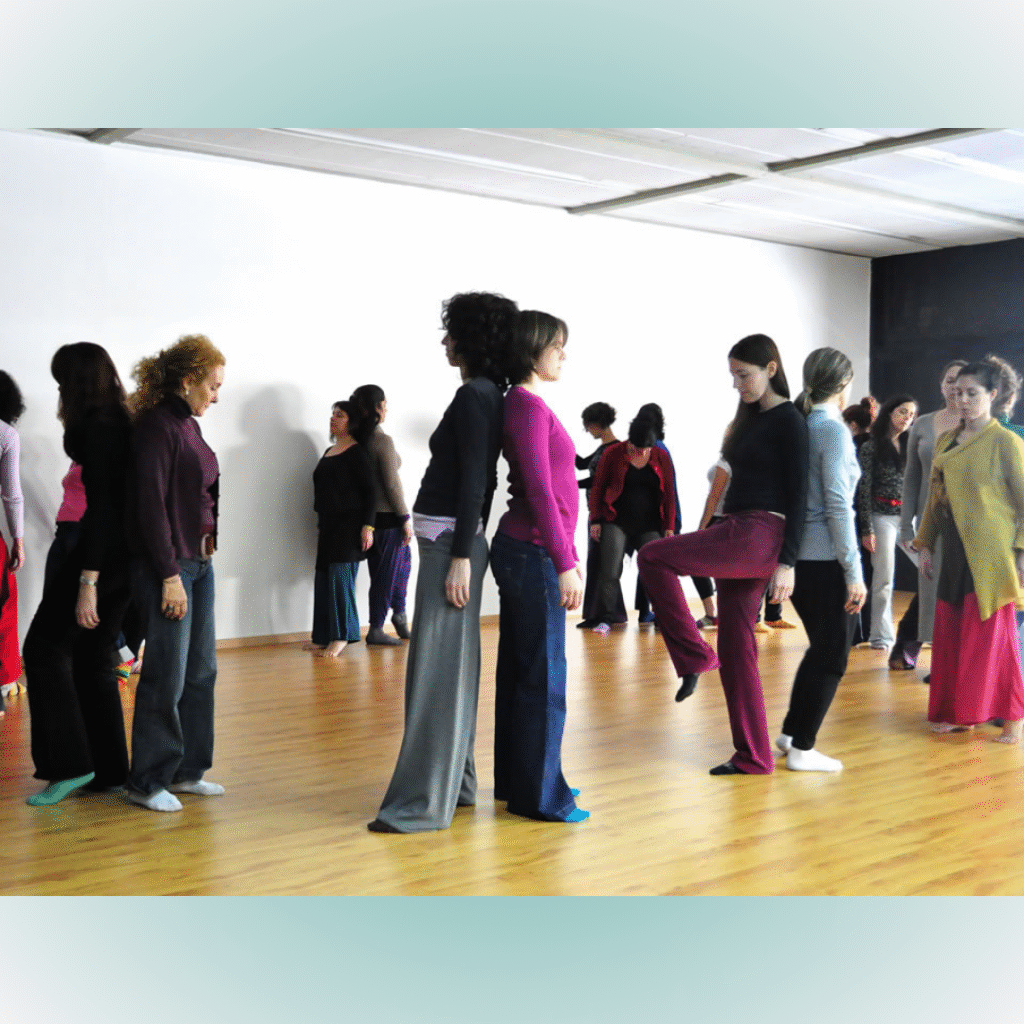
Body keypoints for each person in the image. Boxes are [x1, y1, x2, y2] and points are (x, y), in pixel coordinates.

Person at [368, 291, 519, 833]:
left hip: (450, 547)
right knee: (446, 670)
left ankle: (421, 804)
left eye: (451, 333)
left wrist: (460, 556)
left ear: (472, 339)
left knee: (436, 674)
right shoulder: (484, 393)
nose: (445, 342)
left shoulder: (477, 395)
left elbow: (480, 479)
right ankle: (457, 786)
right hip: (448, 543)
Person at [637, 333, 808, 776]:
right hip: (738, 528)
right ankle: (754, 756)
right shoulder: (748, 420)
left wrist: (788, 562)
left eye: (744, 375)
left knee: (652, 556)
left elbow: (800, 494)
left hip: (758, 533)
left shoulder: (790, 421)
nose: (737, 384)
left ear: (772, 369)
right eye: (733, 375)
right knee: (736, 644)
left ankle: (695, 656)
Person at [490, 309, 589, 822]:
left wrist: (564, 556)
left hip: (527, 551)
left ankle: (521, 781)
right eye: (556, 346)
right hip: (533, 553)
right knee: (544, 677)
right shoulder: (526, 406)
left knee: (522, 672)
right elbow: (540, 491)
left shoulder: (524, 403)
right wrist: (565, 560)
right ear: (533, 350)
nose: (563, 355)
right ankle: (541, 796)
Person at [23, 344, 132, 804]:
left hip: (99, 556)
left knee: (43, 649)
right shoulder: (122, 420)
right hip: (125, 558)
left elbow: (103, 510)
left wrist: (88, 581)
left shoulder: (98, 428)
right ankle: (109, 769)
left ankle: (68, 765)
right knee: (93, 655)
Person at [125, 334, 226, 812]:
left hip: (200, 563)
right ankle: (146, 781)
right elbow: (150, 506)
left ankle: (187, 771)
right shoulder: (156, 427)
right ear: (188, 380)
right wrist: (168, 576)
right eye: (213, 386)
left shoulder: (188, 425)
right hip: (171, 565)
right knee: (166, 673)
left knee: (201, 670)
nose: (216, 396)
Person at [913, 359, 1024, 743]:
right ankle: (958, 713)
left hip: (992, 556)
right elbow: (935, 500)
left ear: (992, 395)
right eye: (957, 392)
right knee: (952, 634)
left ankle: (1013, 719)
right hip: (954, 551)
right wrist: (925, 543)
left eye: (971, 393)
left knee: (995, 641)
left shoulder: (1006, 442)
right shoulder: (946, 440)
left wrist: (1022, 555)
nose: (962, 400)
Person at [776, 348, 866, 771]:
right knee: (833, 656)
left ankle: (792, 734)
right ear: (844, 383)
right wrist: (854, 571)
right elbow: (837, 506)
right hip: (825, 559)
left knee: (822, 648)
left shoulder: (800, 424)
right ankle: (803, 749)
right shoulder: (831, 429)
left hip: (800, 557)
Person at [894, 362, 966, 670]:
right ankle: (941, 668)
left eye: (961, 382)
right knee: (931, 597)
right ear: (941, 384)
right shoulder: (922, 425)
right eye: (949, 380)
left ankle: (957, 670)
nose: (954, 387)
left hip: (968, 526)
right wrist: (905, 528)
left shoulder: (978, 426)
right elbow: (911, 478)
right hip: (929, 527)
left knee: (962, 599)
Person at [588, 409, 676, 633]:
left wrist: (669, 526)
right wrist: (596, 520)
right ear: (629, 442)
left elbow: (669, 494)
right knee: (610, 570)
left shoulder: (661, 456)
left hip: (650, 524)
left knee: (657, 571)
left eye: (647, 449)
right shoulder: (613, 454)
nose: (642, 453)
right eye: (637, 448)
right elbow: (598, 488)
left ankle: (662, 616)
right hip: (616, 521)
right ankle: (606, 619)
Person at [307, 401, 376, 657]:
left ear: (352, 422)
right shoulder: (329, 450)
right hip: (328, 525)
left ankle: (342, 635)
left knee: (340, 579)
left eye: (340, 415)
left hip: (349, 527)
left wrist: (368, 526)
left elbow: (371, 492)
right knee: (323, 577)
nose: (333, 418)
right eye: (332, 414)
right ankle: (322, 636)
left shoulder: (358, 453)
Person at [349, 384, 412, 646]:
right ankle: (376, 628)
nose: (387, 409)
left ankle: (399, 616)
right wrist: (405, 518)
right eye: (384, 404)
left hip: (368, 520)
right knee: (387, 575)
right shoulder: (381, 441)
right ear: (376, 408)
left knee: (401, 567)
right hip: (387, 519)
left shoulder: (356, 438)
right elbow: (392, 484)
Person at [856, 393, 918, 652]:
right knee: (883, 578)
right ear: (890, 412)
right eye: (903, 412)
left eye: (911, 414)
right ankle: (880, 635)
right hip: (881, 517)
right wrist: (867, 528)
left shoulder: (912, 444)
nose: (907, 418)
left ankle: (927, 629)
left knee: (932, 569)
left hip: (908, 518)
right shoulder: (871, 447)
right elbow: (863, 489)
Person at [576, 402, 625, 629]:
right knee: (597, 563)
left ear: (597, 424)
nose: (587, 430)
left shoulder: (616, 450)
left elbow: (599, 482)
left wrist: (571, 484)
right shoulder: (601, 449)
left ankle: (605, 614)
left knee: (604, 565)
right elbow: (581, 464)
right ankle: (600, 613)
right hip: (595, 513)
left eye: (588, 425)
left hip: (606, 516)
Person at [0, 371, 26, 715]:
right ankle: (4, 680)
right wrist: (17, 539)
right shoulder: (6, 434)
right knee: (3, 606)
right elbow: (12, 495)